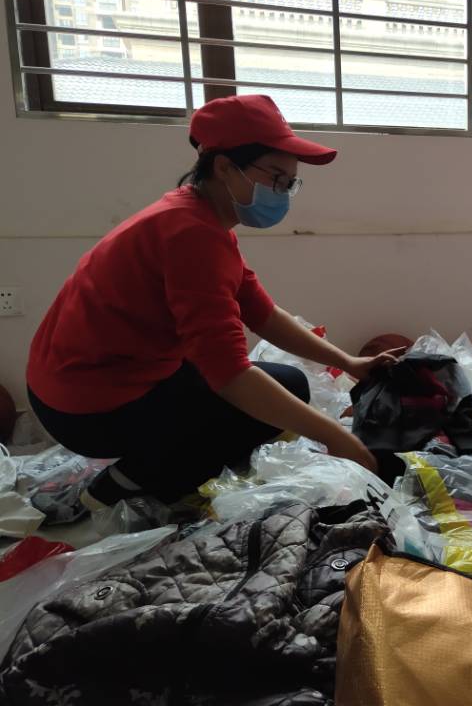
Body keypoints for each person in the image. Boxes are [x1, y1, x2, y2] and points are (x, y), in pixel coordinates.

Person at [26, 94, 396, 510]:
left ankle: (154, 460)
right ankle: (125, 484)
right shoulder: (191, 234)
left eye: (290, 183)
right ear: (224, 167)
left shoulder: (198, 220)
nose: (283, 192)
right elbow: (229, 373)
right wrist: (335, 437)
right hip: (85, 406)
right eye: (276, 178)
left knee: (288, 385)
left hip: (91, 379)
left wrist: (349, 362)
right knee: (249, 409)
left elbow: (261, 312)